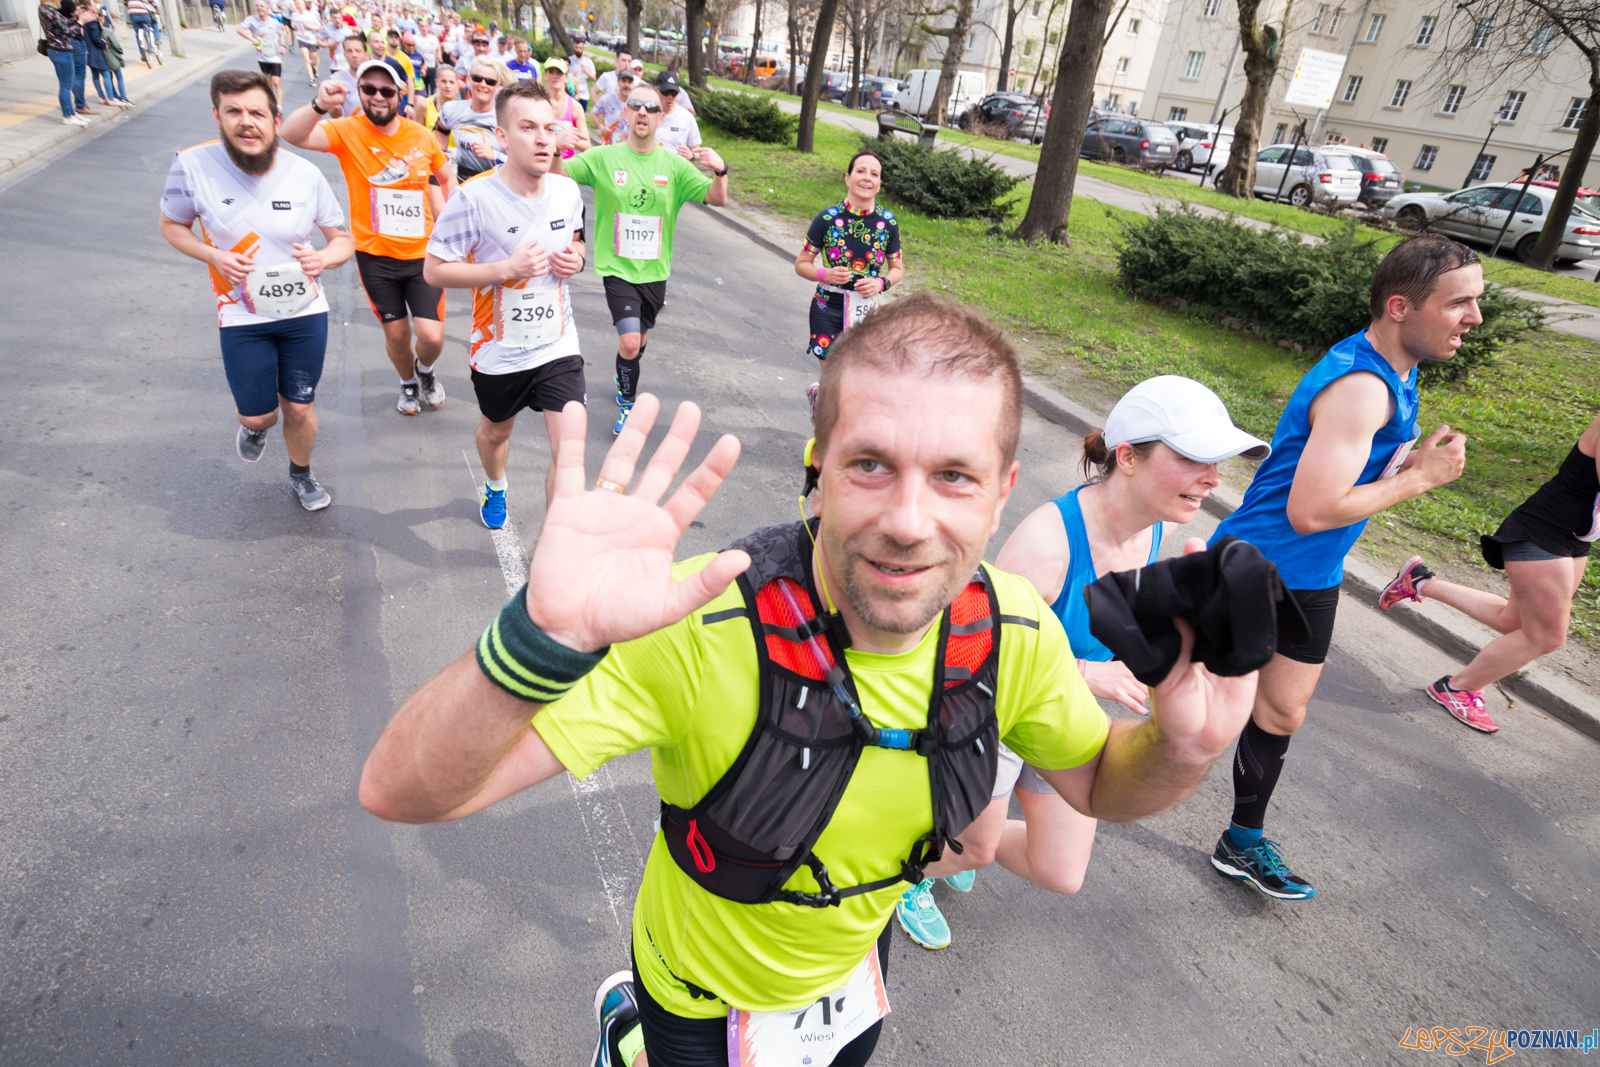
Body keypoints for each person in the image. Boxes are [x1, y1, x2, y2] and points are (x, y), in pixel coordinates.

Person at [357, 292, 1262, 1067]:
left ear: (1002, 488)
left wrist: (1182, 747)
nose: (909, 521)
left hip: (853, 978)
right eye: (871, 464)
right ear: (818, 470)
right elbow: (402, 791)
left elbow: (1103, 783)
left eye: (954, 475)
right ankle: (629, 1031)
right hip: (700, 998)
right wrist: (541, 640)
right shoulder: (697, 622)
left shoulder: (1013, 628)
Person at [890, 376, 1272, 949]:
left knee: (1060, 871)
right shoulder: (1048, 543)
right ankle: (916, 866)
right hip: (993, 713)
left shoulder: (1158, 525)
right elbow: (971, 655)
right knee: (976, 847)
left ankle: (954, 837)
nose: (1215, 478)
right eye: (1194, 458)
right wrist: (1092, 673)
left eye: (1218, 462)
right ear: (1128, 458)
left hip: (1060, 710)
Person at [1205, 233, 1475, 901]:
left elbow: (1342, 476)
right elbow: (1311, 509)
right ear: (1400, 306)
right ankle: (988, 792)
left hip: (1312, 576)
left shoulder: (1400, 369)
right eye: (1460, 303)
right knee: (1164, 698)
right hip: (1257, 565)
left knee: (1283, 710)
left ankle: (1241, 841)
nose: (1473, 318)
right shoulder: (1362, 386)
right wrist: (1422, 481)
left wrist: (1402, 465)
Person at [158, 69, 354, 511]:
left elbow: (343, 239)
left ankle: (301, 474)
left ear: (274, 118)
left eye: (256, 113)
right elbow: (172, 225)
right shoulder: (191, 165)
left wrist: (322, 258)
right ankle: (255, 425)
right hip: (241, 312)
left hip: (304, 309)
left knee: (300, 407)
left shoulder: (304, 174)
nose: (246, 122)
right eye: (234, 112)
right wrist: (214, 256)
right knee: (260, 413)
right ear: (217, 115)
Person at [425, 79, 588, 528]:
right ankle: (495, 485)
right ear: (501, 135)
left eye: (549, 129)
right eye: (528, 127)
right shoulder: (473, 199)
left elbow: (576, 244)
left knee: (570, 449)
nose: (542, 139)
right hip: (499, 350)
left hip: (557, 343)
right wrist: (505, 269)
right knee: (497, 430)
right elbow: (434, 271)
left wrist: (575, 259)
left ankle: (559, 544)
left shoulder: (566, 192)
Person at [1379, 412, 1600, 733]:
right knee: (1546, 636)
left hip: (1575, 538)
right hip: (1546, 531)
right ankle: (1457, 688)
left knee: (1516, 621)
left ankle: (1420, 581)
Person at [283, 59, 458, 416]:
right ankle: (408, 382)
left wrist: (449, 220)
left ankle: (425, 372)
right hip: (375, 256)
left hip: (423, 254)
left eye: (386, 90)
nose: (378, 97)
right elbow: (292, 134)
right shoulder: (346, 130)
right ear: (360, 92)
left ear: (400, 94)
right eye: (369, 89)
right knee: (396, 336)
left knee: (432, 336)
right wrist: (319, 105)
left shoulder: (421, 136)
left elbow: (446, 177)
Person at [555, 84, 724, 435]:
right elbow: (560, 177)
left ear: (661, 117)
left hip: (655, 270)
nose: (643, 112)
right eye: (636, 106)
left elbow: (715, 197)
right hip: (617, 267)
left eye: (651, 107)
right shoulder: (604, 157)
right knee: (630, 340)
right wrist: (557, 150)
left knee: (640, 338)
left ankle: (624, 373)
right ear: (625, 113)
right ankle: (627, 406)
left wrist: (721, 172)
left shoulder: (673, 166)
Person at [794, 149, 902, 367]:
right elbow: (801, 264)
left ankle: (820, 397)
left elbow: (897, 268)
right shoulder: (826, 219)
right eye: (860, 171)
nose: (866, 178)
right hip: (827, 308)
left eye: (874, 174)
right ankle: (821, 397)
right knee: (832, 380)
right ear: (848, 178)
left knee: (858, 378)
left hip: (865, 311)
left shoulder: (888, 223)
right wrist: (825, 274)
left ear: (879, 183)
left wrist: (881, 283)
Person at [434, 57, 503, 180]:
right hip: (462, 185)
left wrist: (495, 155)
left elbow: (522, 164)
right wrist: (441, 153)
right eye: (477, 78)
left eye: (490, 82)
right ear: (468, 80)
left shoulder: (506, 117)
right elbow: (441, 130)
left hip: (496, 187)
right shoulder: (452, 109)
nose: (483, 84)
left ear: (497, 86)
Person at [40, 0, 86, 126]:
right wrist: (81, 23)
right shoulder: (50, 11)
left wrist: (77, 18)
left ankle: (71, 113)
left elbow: (63, 23)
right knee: (66, 86)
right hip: (61, 50)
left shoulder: (44, 9)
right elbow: (69, 32)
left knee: (65, 84)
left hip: (54, 49)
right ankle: (67, 116)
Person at [240, 0, 290, 105]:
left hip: (274, 56)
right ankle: (271, 104)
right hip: (262, 56)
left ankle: (279, 106)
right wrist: (251, 39)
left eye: (262, 6)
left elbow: (281, 34)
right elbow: (239, 29)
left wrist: (282, 45)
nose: (259, 8)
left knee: (276, 81)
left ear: (267, 8)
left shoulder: (274, 22)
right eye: (257, 6)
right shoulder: (251, 20)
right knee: (268, 83)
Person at [540, 58, 590, 158]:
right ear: (545, 75)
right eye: (551, 72)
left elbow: (586, 144)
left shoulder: (575, 107)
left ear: (566, 77)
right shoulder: (538, 103)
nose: (555, 76)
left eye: (559, 72)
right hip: (542, 160)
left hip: (565, 165)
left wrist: (568, 140)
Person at [651, 70, 700, 155]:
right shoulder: (646, 112)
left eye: (674, 93)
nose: (670, 97)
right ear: (656, 90)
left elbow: (697, 151)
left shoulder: (687, 117)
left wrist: (691, 155)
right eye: (665, 92)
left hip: (675, 167)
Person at [590, 67, 634, 146]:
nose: (626, 85)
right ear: (618, 82)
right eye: (623, 81)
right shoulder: (606, 99)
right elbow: (593, 113)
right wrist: (600, 127)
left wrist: (629, 122)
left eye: (629, 82)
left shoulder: (635, 104)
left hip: (626, 146)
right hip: (608, 144)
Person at [289, 0, 322, 86]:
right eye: (298, 4)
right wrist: (294, 26)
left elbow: (319, 27)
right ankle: (312, 79)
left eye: (301, 4)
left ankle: (314, 67)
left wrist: (310, 26)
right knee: (306, 59)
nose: (299, 5)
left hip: (311, 39)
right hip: (301, 39)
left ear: (304, 5)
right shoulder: (294, 15)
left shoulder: (310, 15)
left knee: (313, 60)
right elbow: (292, 24)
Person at [421, 62, 460, 130]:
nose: (448, 86)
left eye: (451, 82)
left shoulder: (462, 110)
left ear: (457, 85)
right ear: (436, 83)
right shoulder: (424, 105)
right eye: (444, 81)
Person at [567, 36, 596, 110]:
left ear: (583, 48)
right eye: (576, 47)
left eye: (580, 48)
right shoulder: (569, 60)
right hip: (571, 94)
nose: (578, 50)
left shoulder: (588, 62)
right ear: (573, 47)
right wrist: (571, 77)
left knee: (582, 116)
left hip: (584, 95)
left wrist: (586, 71)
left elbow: (594, 78)